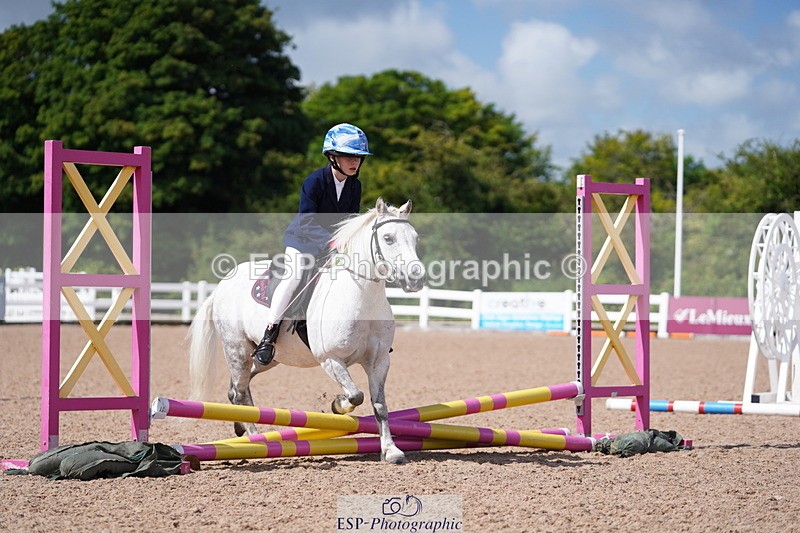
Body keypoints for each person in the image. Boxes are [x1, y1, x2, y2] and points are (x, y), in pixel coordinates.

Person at [252, 123, 372, 365]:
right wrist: (333, 243)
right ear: (332, 156)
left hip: (334, 245)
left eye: (358, 157)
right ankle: (269, 334)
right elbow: (306, 221)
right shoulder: (314, 181)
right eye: (349, 156)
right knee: (293, 277)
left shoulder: (355, 186)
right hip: (303, 241)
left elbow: (349, 221)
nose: (355, 162)